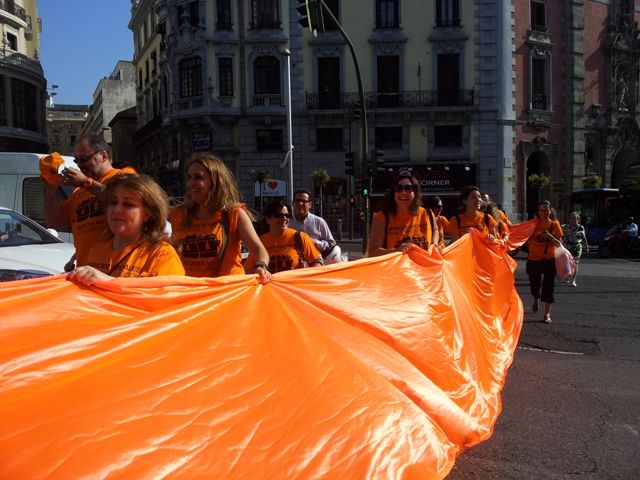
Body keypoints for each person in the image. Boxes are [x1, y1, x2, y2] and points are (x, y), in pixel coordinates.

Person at [66, 174, 185, 286]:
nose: (117, 210)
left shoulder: (162, 255)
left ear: (147, 214)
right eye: (113, 202)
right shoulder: (97, 250)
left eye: (128, 204)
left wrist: (109, 282)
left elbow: (168, 302)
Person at [170, 153, 271, 282]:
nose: (190, 183)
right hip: (191, 292)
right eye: (189, 177)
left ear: (215, 181)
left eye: (198, 177)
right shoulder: (178, 214)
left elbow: (259, 250)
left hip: (227, 292)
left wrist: (261, 266)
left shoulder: (234, 214)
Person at [44, 134, 136, 267]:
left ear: (103, 156)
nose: (80, 165)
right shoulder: (78, 192)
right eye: (77, 160)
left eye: (84, 159)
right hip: (86, 271)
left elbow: (125, 200)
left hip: (116, 270)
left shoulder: (124, 176)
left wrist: (86, 183)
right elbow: (54, 221)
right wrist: (51, 189)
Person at [367, 173, 439, 257]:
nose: (403, 192)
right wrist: (396, 251)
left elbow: (435, 230)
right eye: (399, 188)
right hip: (396, 269)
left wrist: (435, 244)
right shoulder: (382, 218)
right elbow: (372, 252)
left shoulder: (428, 214)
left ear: (415, 192)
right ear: (393, 193)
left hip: (424, 269)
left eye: (408, 188)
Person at [248, 200, 323, 273]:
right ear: (268, 219)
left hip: (295, 284)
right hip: (269, 285)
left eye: (287, 215)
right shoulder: (260, 242)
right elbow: (249, 270)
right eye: (279, 215)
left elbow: (317, 261)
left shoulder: (300, 237)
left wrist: (309, 278)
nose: (284, 218)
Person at [526, 201, 563, 323]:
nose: (544, 213)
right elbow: (524, 236)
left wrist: (550, 237)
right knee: (534, 284)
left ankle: (547, 314)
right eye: (542, 210)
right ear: (538, 212)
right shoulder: (533, 224)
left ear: (550, 211)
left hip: (549, 259)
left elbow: (559, 243)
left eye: (546, 210)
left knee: (549, 286)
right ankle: (536, 298)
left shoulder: (554, 224)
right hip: (533, 258)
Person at [289, 188, 343, 263]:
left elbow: (331, 243)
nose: (300, 203)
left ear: (310, 204)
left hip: (315, 264)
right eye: (297, 201)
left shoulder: (319, 222)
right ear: (293, 203)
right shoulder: (287, 221)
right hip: (292, 264)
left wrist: (314, 242)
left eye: (304, 201)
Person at [562, 211, 589, 287]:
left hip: (576, 247)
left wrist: (586, 247)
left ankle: (573, 280)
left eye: (575, 218)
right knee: (567, 263)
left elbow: (584, 238)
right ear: (569, 219)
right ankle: (567, 276)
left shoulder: (581, 227)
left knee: (575, 263)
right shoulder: (564, 227)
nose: (573, 220)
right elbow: (559, 235)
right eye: (571, 218)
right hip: (566, 247)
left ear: (578, 219)